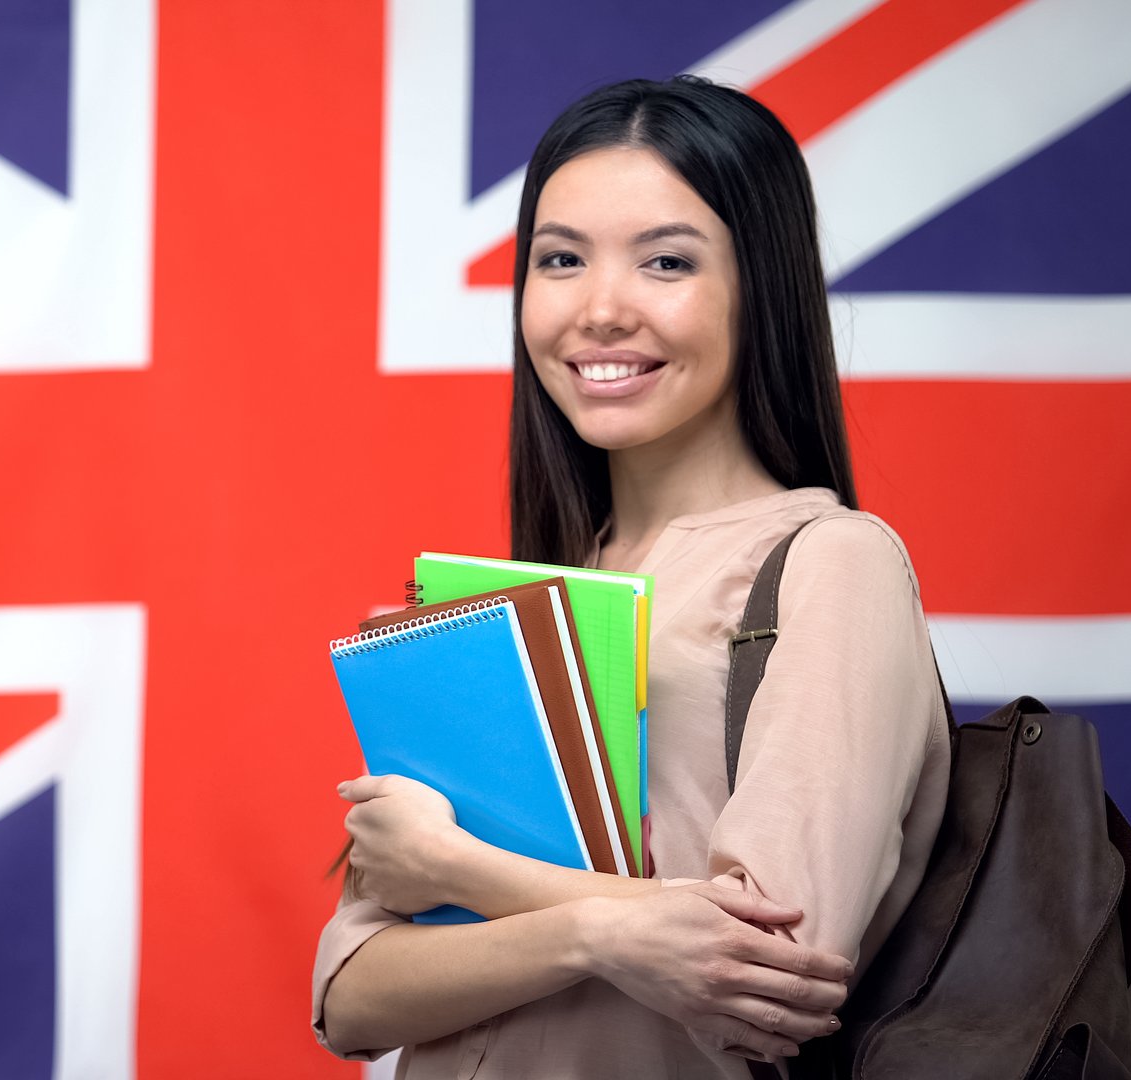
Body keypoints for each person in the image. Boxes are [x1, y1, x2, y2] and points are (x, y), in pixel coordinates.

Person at [311, 76, 952, 1077]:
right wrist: (610, 931)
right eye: (560, 259)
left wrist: (456, 869)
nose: (600, 309)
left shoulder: (832, 566)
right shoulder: (514, 603)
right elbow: (349, 997)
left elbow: (771, 970)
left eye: (666, 262)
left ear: (762, 288)